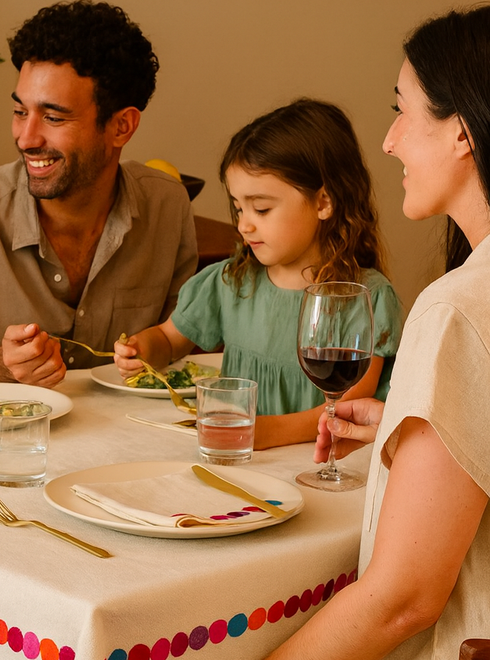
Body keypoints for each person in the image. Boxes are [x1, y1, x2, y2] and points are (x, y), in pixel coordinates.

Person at [124, 6, 490, 660]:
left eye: (405, 110)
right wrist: (410, 429)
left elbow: (401, 600)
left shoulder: (458, 310)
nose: (391, 138)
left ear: (464, 128)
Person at [0, 0, 198, 393]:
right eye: (21, 112)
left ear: (122, 126)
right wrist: (1, 369)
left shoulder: (167, 207)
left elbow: (186, 356)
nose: (27, 138)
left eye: (53, 118)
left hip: (132, 446)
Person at [114, 99, 403, 448]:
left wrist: (262, 432)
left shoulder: (364, 298)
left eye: (261, 208)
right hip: (240, 459)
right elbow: (168, 339)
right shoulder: (231, 281)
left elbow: (347, 407)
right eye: (238, 207)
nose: (243, 224)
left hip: (321, 466)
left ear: (324, 202)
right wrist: (142, 349)